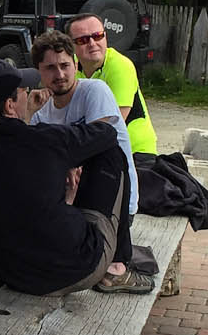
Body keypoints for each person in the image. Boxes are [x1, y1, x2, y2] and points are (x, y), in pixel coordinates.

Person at [0, 58, 142, 296]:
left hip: (13, 273)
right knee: (111, 153)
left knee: (10, 212)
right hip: (78, 267)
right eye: (24, 90)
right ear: (9, 104)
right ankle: (118, 265)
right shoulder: (47, 139)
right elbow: (107, 134)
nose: (30, 93)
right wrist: (70, 160)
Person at [31, 31, 153, 293]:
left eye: (64, 65)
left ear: (75, 64)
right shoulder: (40, 110)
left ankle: (117, 267)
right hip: (69, 199)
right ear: (39, 71)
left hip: (112, 204)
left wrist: (65, 162)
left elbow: (99, 140)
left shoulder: (94, 90)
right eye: (50, 68)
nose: (59, 74)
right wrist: (28, 112)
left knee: (106, 152)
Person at [67, 13, 157, 154]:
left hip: (135, 151)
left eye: (98, 36)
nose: (92, 43)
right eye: (83, 40)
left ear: (106, 37)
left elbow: (112, 125)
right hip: (97, 147)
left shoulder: (121, 66)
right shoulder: (68, 67)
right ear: (71, 45)